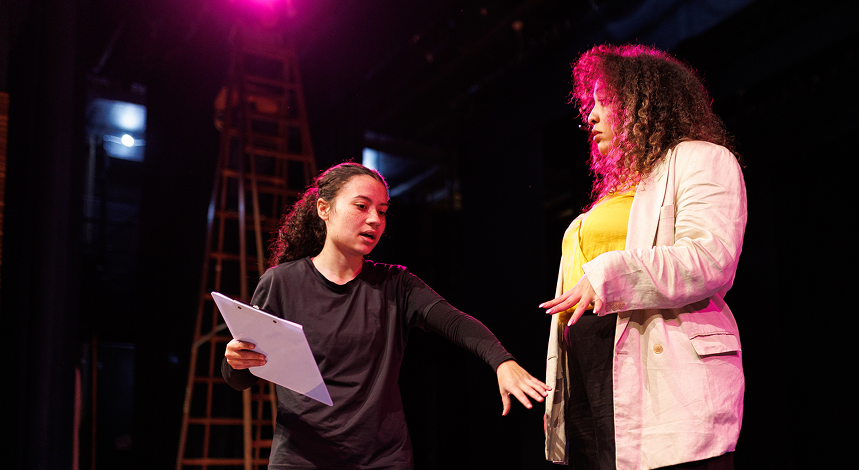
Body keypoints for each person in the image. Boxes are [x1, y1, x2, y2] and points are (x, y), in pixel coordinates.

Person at [223, 162, 551, 469]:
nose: (375, 220)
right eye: (361, 206)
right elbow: (242, 376)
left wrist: (502, 361)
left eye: (381, 211)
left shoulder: (396, 284)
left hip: (380, 459)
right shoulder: (282, 282)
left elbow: (454, 321)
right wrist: (235, 361)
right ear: (324, 209)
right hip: (302, 458)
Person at [540, 44, 748, 470]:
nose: (590, 116)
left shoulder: (702, 159)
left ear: (643, 104)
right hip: (590, 372)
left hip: (664, 373)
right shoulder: (611, 195)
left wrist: (607, 274)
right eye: (590, 105)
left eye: (605, 101)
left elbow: (709, 257)